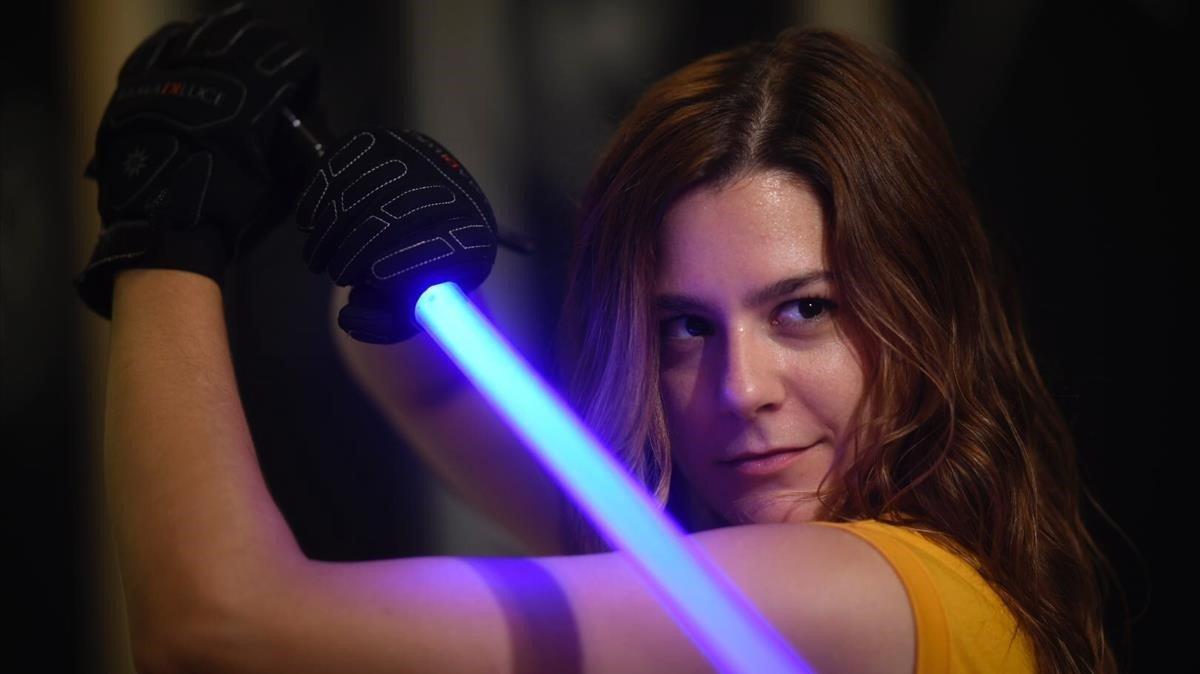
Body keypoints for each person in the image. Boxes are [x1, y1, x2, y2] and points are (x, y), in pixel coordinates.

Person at [78, 5, 1117, 673]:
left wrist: (165, 239)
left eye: (804, 308)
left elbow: (217, 625)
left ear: (925, 306)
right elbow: (438, 400)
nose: (738, 387)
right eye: (683, 326)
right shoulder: (830, 578)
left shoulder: (859, 591)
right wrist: (399, 294)